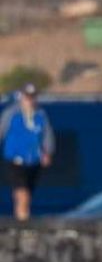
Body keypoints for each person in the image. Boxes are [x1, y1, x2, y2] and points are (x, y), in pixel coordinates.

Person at [3, 84, 53, 221]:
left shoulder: (40, 115)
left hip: (33, 161)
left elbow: (47, 135)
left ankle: (20, 217)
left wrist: (47, 152)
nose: (30, 100)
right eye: (27, 97)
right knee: (23, 193)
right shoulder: (11, 114)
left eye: (33, 97)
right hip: (16, 160)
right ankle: (22, 221)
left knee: (26, 194)